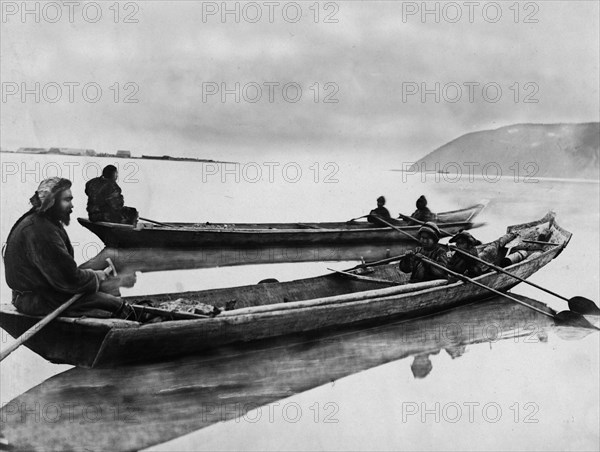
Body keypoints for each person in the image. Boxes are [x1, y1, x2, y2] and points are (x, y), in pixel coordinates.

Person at [3, 177, 135, 319]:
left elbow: (64, 273)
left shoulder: (43, 222)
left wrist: (94, 277)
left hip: (47, 290)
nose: (72, 205)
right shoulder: (40, 230)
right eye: (67, 200)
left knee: (109, 261)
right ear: (51, 202)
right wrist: (97, 276)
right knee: (113, 304)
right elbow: (68, 279)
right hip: (38, 301)